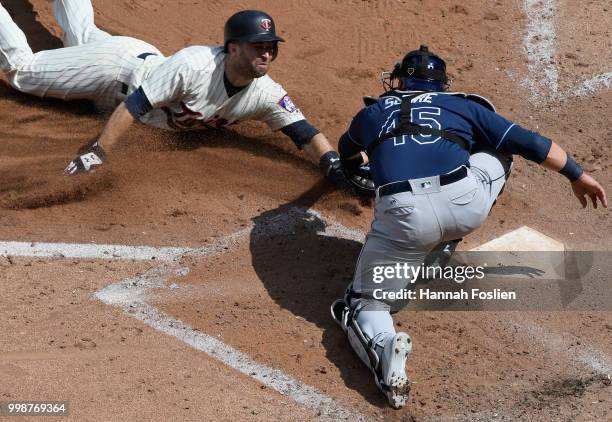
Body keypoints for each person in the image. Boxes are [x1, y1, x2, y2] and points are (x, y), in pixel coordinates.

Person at [332, 45, 607, 408]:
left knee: (366, 301)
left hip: (404, 217)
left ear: (399, 81)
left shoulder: (370, 114)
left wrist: (360, 170)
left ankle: (385, 353)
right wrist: (578, 174)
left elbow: (347, 154)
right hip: (465, 203)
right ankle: (443, 245)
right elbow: (531, 143)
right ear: (442, 85)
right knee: (499, 151)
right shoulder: (463, 106)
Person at [0, 1, 348, 186]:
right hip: (112, 72)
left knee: (81, 32)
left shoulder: (265, 93)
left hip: (138, 56)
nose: (267, 54)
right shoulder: (195, 65)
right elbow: (134, 106)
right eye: (258, 47)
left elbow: (304, 133)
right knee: (21, 71)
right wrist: (99, 152)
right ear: (233, 49)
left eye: (271, 47)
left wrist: (332, 166)